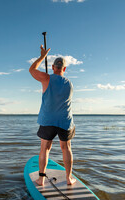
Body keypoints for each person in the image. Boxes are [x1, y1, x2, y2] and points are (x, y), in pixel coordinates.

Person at [29, 45, 76, 186]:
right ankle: (69, 179)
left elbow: (32, 70)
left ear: (53, 67)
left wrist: (42, 57)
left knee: (45, 148)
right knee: (66, 148)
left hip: (48, 120)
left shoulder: (46, 78)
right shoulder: (69, 84)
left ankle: (41, 179)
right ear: (64, 69)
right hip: (65, 121)